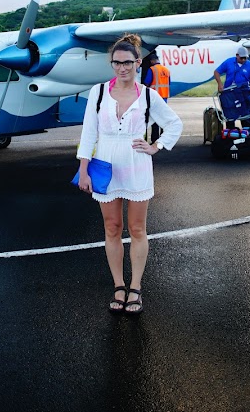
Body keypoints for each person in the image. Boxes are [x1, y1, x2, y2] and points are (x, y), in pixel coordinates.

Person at [76, 34, 183, 315]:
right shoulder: (98, 93)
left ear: (138, 63)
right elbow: (88, 133)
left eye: (127, 63)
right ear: (111, 64)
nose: (121, 68)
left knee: (137, 229)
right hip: (105, 165)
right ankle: (118, 285)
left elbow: (174, 123)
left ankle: (135, 287)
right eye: (116, 63)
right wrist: (83, 169)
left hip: (136, 165)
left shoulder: (148, 95)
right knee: (112, 228)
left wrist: (156, 146)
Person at [213, 45, 250, 129]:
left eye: (245, 58)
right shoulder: (229, 62)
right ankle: (231, 138)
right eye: (241, 58)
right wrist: (220, 84)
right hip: (229, 93)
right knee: (230, 117)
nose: (243, 60)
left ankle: (247, 137)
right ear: (237, 55)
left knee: (245, 117)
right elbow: (217, 72)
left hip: (243, 93)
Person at [141, 51, 171, 143]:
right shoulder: (166, 70)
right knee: (163, 118)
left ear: (152, 61)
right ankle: (164, 138)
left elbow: (147, 82)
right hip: (164, 97)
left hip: (155, 98)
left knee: (154, 119)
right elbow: (168, 83)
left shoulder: (152, 69)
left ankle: (155, 139)